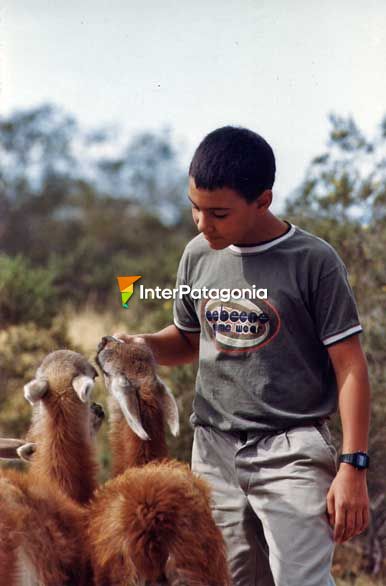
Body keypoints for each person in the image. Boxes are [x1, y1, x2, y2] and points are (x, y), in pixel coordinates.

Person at [116, 126, 371, 586]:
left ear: (263, 200)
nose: (202, 223)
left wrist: (353, 466)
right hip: (213, 451)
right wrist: (140, 345)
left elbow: (350, 366)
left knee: (301, 581)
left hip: (290, 449)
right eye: (194, 207)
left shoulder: (313, 260)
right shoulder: (198, 255)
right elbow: (190, 341)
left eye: (218, 213)